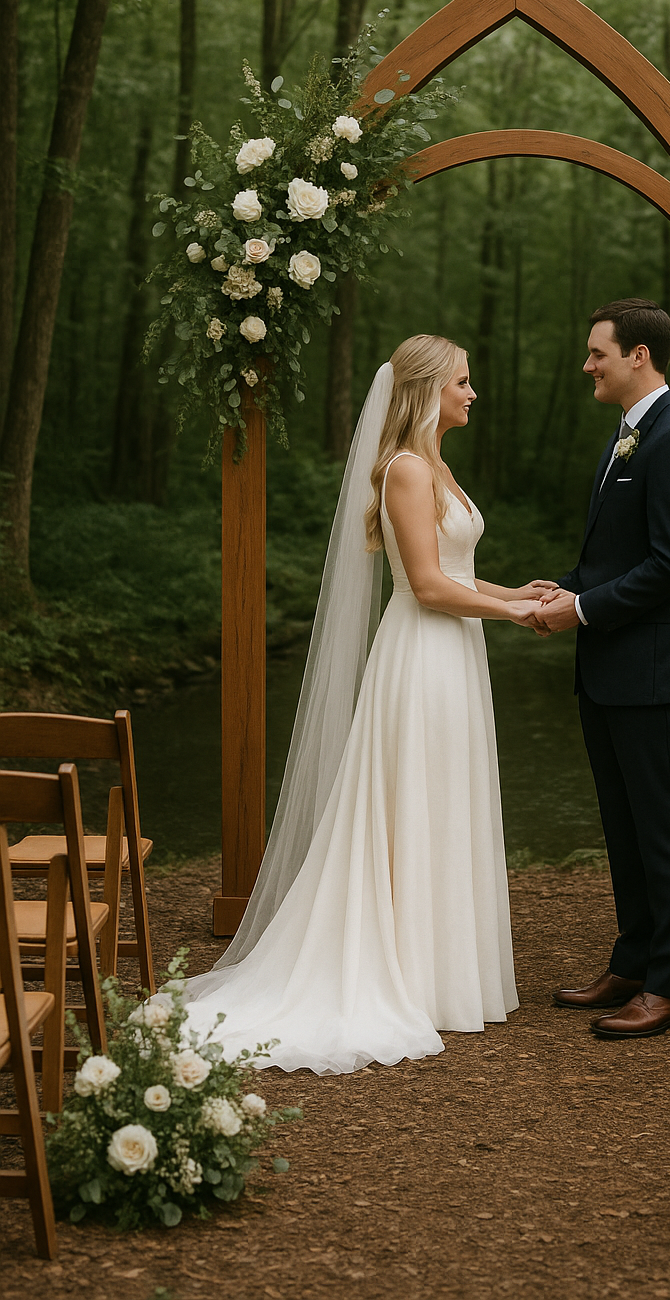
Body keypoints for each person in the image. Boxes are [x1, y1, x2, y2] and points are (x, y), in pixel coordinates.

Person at [185, 335, 551, 1073]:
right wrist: (516, 619)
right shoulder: (409, 471)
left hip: (455, 652)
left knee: (446, 800)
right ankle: (413, 974)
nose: (473, 393)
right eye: (463, 382)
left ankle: (447, 974)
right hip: (423, 654)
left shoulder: (436, 464)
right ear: (426, 390)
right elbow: (428, 585)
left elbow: (459, 571)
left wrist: (519, 591)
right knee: (414, 800)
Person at [533, 299, 670, 1040]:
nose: (588, 366)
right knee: (624, 827)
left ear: (638, 355)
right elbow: (618, 554)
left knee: (662, 830)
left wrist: (581, 611)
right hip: (610, 667)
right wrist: (568, 586)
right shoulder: (628, 436)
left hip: (651, 672)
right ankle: (634, 963)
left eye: (597, 353)